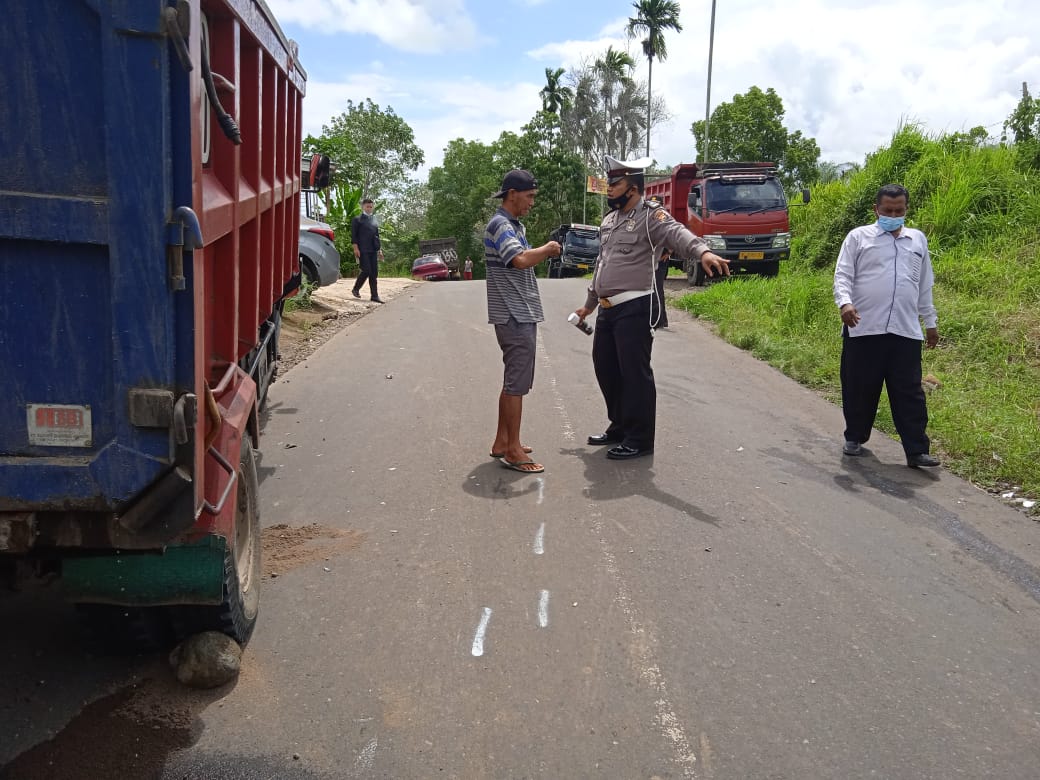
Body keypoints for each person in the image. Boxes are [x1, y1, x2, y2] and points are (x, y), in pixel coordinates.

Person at [574, 155, 730, 460]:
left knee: (634, 374)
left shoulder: (651, 216)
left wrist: (704, 252)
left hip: (635, 307)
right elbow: (602, 265)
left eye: (614, 184)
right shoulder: (609, 220)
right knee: (606, 368)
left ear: (632, 188)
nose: (609, 189)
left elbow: (678, 234)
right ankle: (619, 425)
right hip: (607, 309)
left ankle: (640, 438)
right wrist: (588, 305)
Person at [833, 183, 940, 469]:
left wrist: (930, 322)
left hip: (905, 330)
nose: (894, 215)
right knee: (859, 386)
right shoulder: (859, 237)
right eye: (888, 210)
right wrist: (845, 303)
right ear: (876, 209)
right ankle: (855, 436)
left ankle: (916, 450)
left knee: (909, 392)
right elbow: (843, 275)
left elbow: (923, 285)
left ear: (906, 209)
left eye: (899, 210)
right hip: (863, 327)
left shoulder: (917, 240)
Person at [485, 169, 561, 473]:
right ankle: (513, 451)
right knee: (517, 384)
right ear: (512, 194)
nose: (531, 202)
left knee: (512, 381)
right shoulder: (501, 225)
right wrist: (548, 249)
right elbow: (519, 260)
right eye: (529, 196)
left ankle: (503, 441)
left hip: (517, 313)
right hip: (514, 314)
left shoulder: (513, 225)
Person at [351, 198, 384, 303]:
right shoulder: (357, 219)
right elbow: (354, 236)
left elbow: (377, 236)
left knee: (374, 273)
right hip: (362, 249)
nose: (369, 208)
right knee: (366, 270)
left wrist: (379, 250)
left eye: (371, 207)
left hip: (373, 250)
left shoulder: (374, 220)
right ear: (363, 207)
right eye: (367, 207)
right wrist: (355, 248)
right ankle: (356, 288)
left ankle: (374, 296)